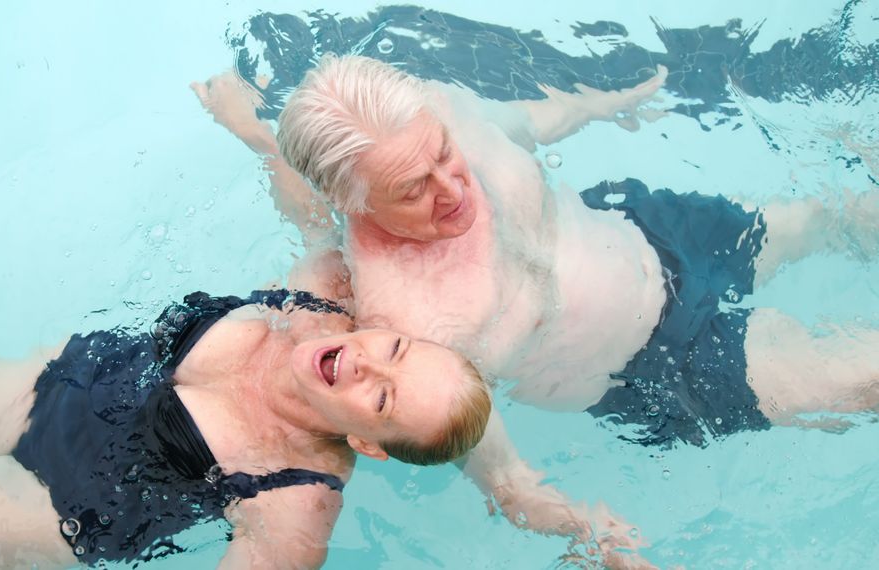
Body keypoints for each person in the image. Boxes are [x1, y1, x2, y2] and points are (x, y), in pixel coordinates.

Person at [193, 54, 879, 566]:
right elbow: (505, 478)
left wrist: (613, 100)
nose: (452, 187)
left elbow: (533, 120)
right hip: (664, 367)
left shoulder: (433, 111)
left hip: (651, 229)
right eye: (413, 189)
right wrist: (586, 530)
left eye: (444, 155)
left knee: (838, 220)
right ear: (357, 204)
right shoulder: (405, 329)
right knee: (861, 381)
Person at [0, 259, 492, 569]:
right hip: (44, 384)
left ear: (367, 444)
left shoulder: (298, 502)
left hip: (50, 505)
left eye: (382, 398)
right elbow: (338, 177)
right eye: (395, 348)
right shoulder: (323, 294)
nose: (369, 362)